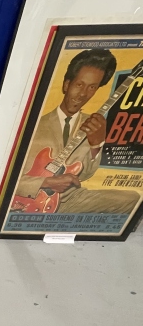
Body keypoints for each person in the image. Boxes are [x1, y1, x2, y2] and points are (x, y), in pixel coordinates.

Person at [14, 48, 140, 214]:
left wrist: (96, 144)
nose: (82, 94)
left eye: (92, 87)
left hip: (71, 198)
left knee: (133, 199)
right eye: (79, 84)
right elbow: (7, 180)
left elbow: (85, 175)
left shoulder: (93, 125)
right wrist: (46, 182)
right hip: (29, 198)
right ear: (67, 85)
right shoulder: (34, 125)